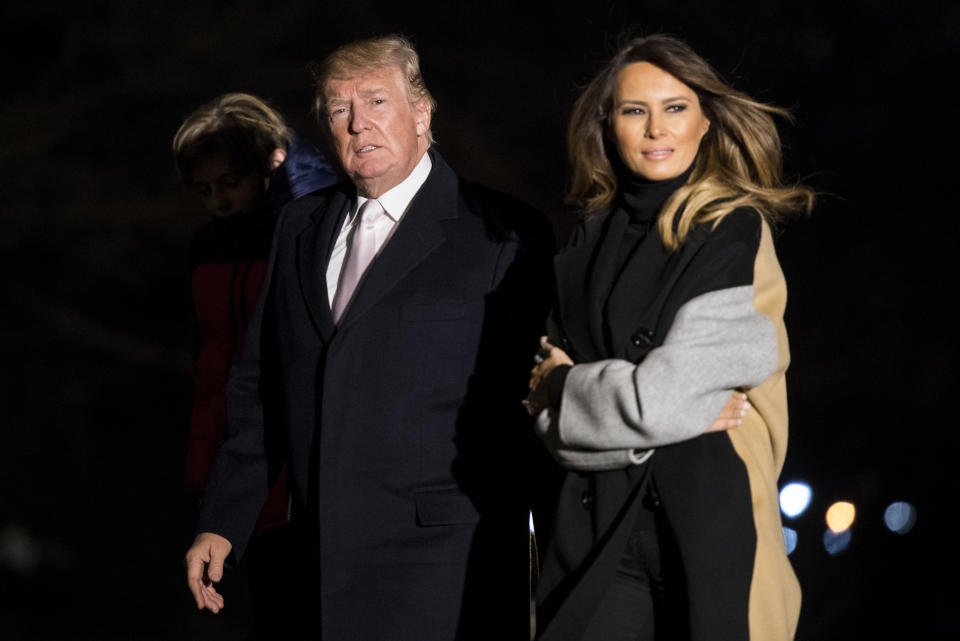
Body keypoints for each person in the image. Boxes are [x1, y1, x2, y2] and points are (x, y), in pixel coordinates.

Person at [183, 36, 553, 641]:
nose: (358, 124)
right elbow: (261, 386)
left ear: (423, 113)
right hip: (317, 563)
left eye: (377, 101)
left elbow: (529, 407)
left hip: (448, 568)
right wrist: (222, 521)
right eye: (338, 109)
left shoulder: (502, 233)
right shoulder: (299, 228)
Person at [526, 34, 814, 641]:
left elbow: (648, 400)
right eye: (635, 110)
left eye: (675, 107)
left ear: (706, 119)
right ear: (609, 125)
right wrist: (649, 409)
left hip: (710, 529)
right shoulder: (582, 246)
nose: (657, 129)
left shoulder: (731, 230)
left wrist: (568, 388)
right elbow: (544, 419)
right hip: (596, 530)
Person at [173, 92, 337, 637]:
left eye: (229, 181)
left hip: (290, 455)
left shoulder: (308, 232)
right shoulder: (206, 245)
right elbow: (207, 356)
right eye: (204, 188)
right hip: (227, 444)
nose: (218, 198)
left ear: (266, 166)